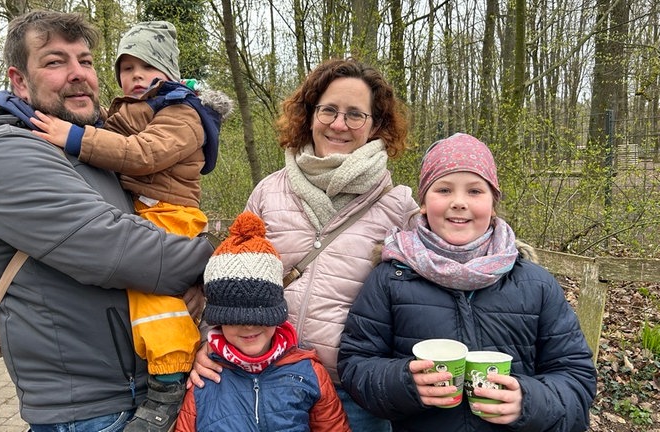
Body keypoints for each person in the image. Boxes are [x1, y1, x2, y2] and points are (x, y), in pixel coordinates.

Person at [0, 10, 215, 432]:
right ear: (19, 80)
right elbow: (117, 249)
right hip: (93, 411)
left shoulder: (88, 145)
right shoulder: (4, 155)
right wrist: (215, 261)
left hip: (144, 388)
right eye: (54, 61)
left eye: (85, 61)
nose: (78, 74)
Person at [190, 57, 420, 431]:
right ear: (310, 114)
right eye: (328, 110)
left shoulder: (399, 208)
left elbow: (429, 290)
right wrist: (209, 341)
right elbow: (230, 273)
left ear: (376, 125)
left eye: (355, 115)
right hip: (267, 382)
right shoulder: (269, 190)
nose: (339, 124)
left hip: (354, 394)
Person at [29, 20, 232, 431]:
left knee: (150, 291)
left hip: (171, 212)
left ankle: (170, 382)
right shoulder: (127, 109)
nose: (136, 76)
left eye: (148, 67)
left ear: (170, 73)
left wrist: (73, 138)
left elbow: (143, 154)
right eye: (126, 68)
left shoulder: (183, 113)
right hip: (144, 210)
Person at [337, 133, 597, 431]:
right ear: (422, 203)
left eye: (475, 191)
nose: (459, 203)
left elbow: (576, 378)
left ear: (493, 204)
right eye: (444, 189)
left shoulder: (535, 284)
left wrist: (528, 402)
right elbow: (356, 364)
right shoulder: (391, 278)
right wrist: (405, 383)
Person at [175, 211, 351, 431]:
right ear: (219, 320)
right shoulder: (203, 380)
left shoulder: (310, 373)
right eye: (235, 318)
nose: (249, 325)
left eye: (260, 314)